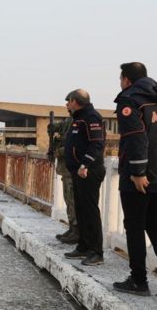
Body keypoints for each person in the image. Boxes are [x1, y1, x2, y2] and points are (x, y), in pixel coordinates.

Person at [112, 62, 157, 297]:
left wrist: (138, 173)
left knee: (135, 226)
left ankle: (139, 281)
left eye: (120, 79)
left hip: (138, 177)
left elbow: (135, 137)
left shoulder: (130, 100)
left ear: (127, 79)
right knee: (153, 221)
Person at [63, 89, 106, 266]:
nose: (66, 104)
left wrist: (85, 164)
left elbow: (97, 143)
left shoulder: (91, 117)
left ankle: (97, 252)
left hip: (89, 171)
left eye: (68, 101)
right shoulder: (78, 118)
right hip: (78, 171)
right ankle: (83, 246)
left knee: (90, 211)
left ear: (75, 101)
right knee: (81, 209)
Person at [48, 117, 78, 244]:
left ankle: (76, 231)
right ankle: (72, 228)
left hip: (72, 169)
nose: (67, 105)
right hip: (66, 169)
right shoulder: (68, 121)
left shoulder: (78, 121)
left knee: (73, 201)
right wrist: (52, 127)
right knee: (68, 199)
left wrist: (59, 151)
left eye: (69, 102)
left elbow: (75, 145)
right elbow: (57, 127)